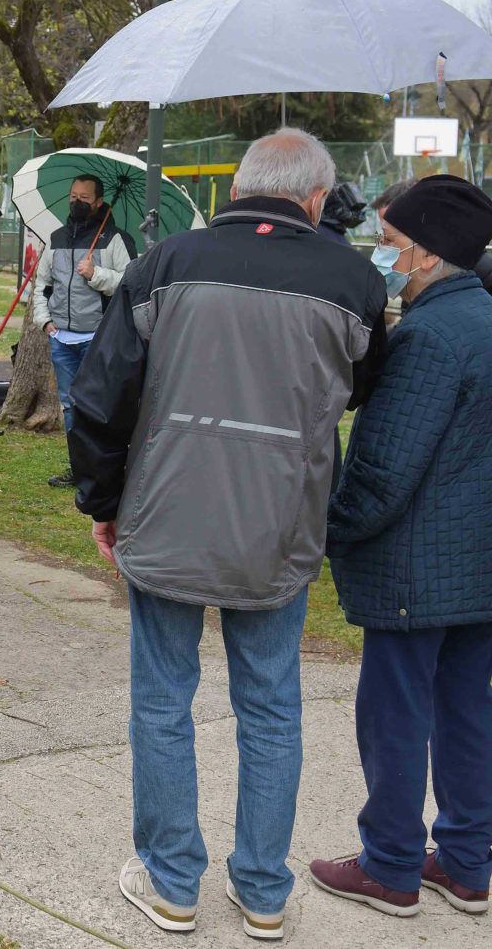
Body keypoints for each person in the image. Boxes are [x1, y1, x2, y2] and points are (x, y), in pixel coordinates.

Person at [67, 129, 388, 939]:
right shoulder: (353, 281)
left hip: (167, 516)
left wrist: (102, 501)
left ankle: (173, 882)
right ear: (317, 198)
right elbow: (361, 389)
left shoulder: (164, 264)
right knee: (271, 708)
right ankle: (263, 891)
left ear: (237, 189)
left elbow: (101, 400)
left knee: (162, 703)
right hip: (279, 525)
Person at [310, 175, 492, 919]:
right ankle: (468, 861)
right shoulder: (482, 317)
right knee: (467, 710)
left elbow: (384, 468)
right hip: (476, 566)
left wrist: (328, 529)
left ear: (427, 254)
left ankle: (390, 865)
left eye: (388, 242)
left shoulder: (429, 336)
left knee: (395, 715)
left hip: (417, 567)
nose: (379, 254)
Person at [29, 174, 137, 488]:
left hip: (98, 339)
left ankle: (104, 468)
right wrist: (44, 321)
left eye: (85, 198)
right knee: (69, 405)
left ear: (99, 202)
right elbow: (42, 285)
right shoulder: (56, 238)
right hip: (61, 339)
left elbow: (131, 283)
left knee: (99, 404)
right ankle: (78, 467)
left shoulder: (115, 239)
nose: (77, 202)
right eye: (73, 196)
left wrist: (96, 274)